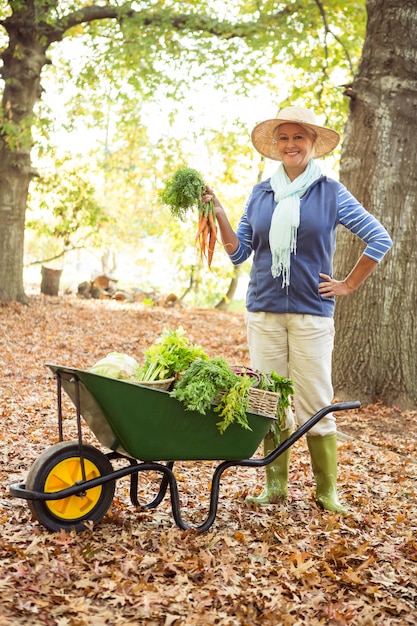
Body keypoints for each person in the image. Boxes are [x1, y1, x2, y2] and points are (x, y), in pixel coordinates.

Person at [206, 105, 393, 513]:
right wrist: (220, 213)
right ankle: (275, 487)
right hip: (264, 312)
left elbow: (379, 240)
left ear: (311, 144)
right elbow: (239, 253)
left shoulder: (330, 192)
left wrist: (347, 284)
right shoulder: (261, 193)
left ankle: (327, 492)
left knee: (315, 400)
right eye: (284, 138)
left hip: (312, 312)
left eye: (299, 138)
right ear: (276, 146)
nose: (291, 144)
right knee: (268, 400)